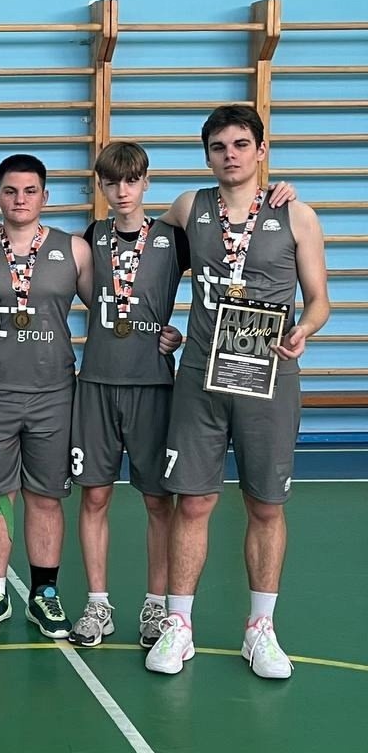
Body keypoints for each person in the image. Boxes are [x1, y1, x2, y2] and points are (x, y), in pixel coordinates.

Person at [146, 105, 329, 679]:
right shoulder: (188, 207)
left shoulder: (296, 214)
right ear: (207, 156)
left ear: (261, 149)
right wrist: (161, 324)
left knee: (266, 505)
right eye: (220, 147)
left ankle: (261, 630)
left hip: (267, 376)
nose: (231, 155)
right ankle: (179, 624)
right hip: (201, 376)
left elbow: (320, 300)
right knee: (193, 502)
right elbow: (140, 246)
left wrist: (304, 329)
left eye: (241, 144)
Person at [0, 154, 91, 639]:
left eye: (30, 191)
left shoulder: (73, 249)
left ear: (45, 197)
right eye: (11, 191)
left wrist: (158, 333)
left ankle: (44, 594)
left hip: (53, 393)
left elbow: (111, 310)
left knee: (45, 496)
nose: (20, 199)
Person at [67, 141, 188, 648]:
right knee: (94, 496)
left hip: (153, 384)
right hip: (96, 383)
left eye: (131, 180)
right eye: (112, 182)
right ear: (100, 185)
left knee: (158, 501)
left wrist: (182, 333)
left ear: (146, 183)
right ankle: (98, 605)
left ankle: (156, 606)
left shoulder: (175, 239)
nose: (122, 191)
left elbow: (225, 279)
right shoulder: (87, 239)